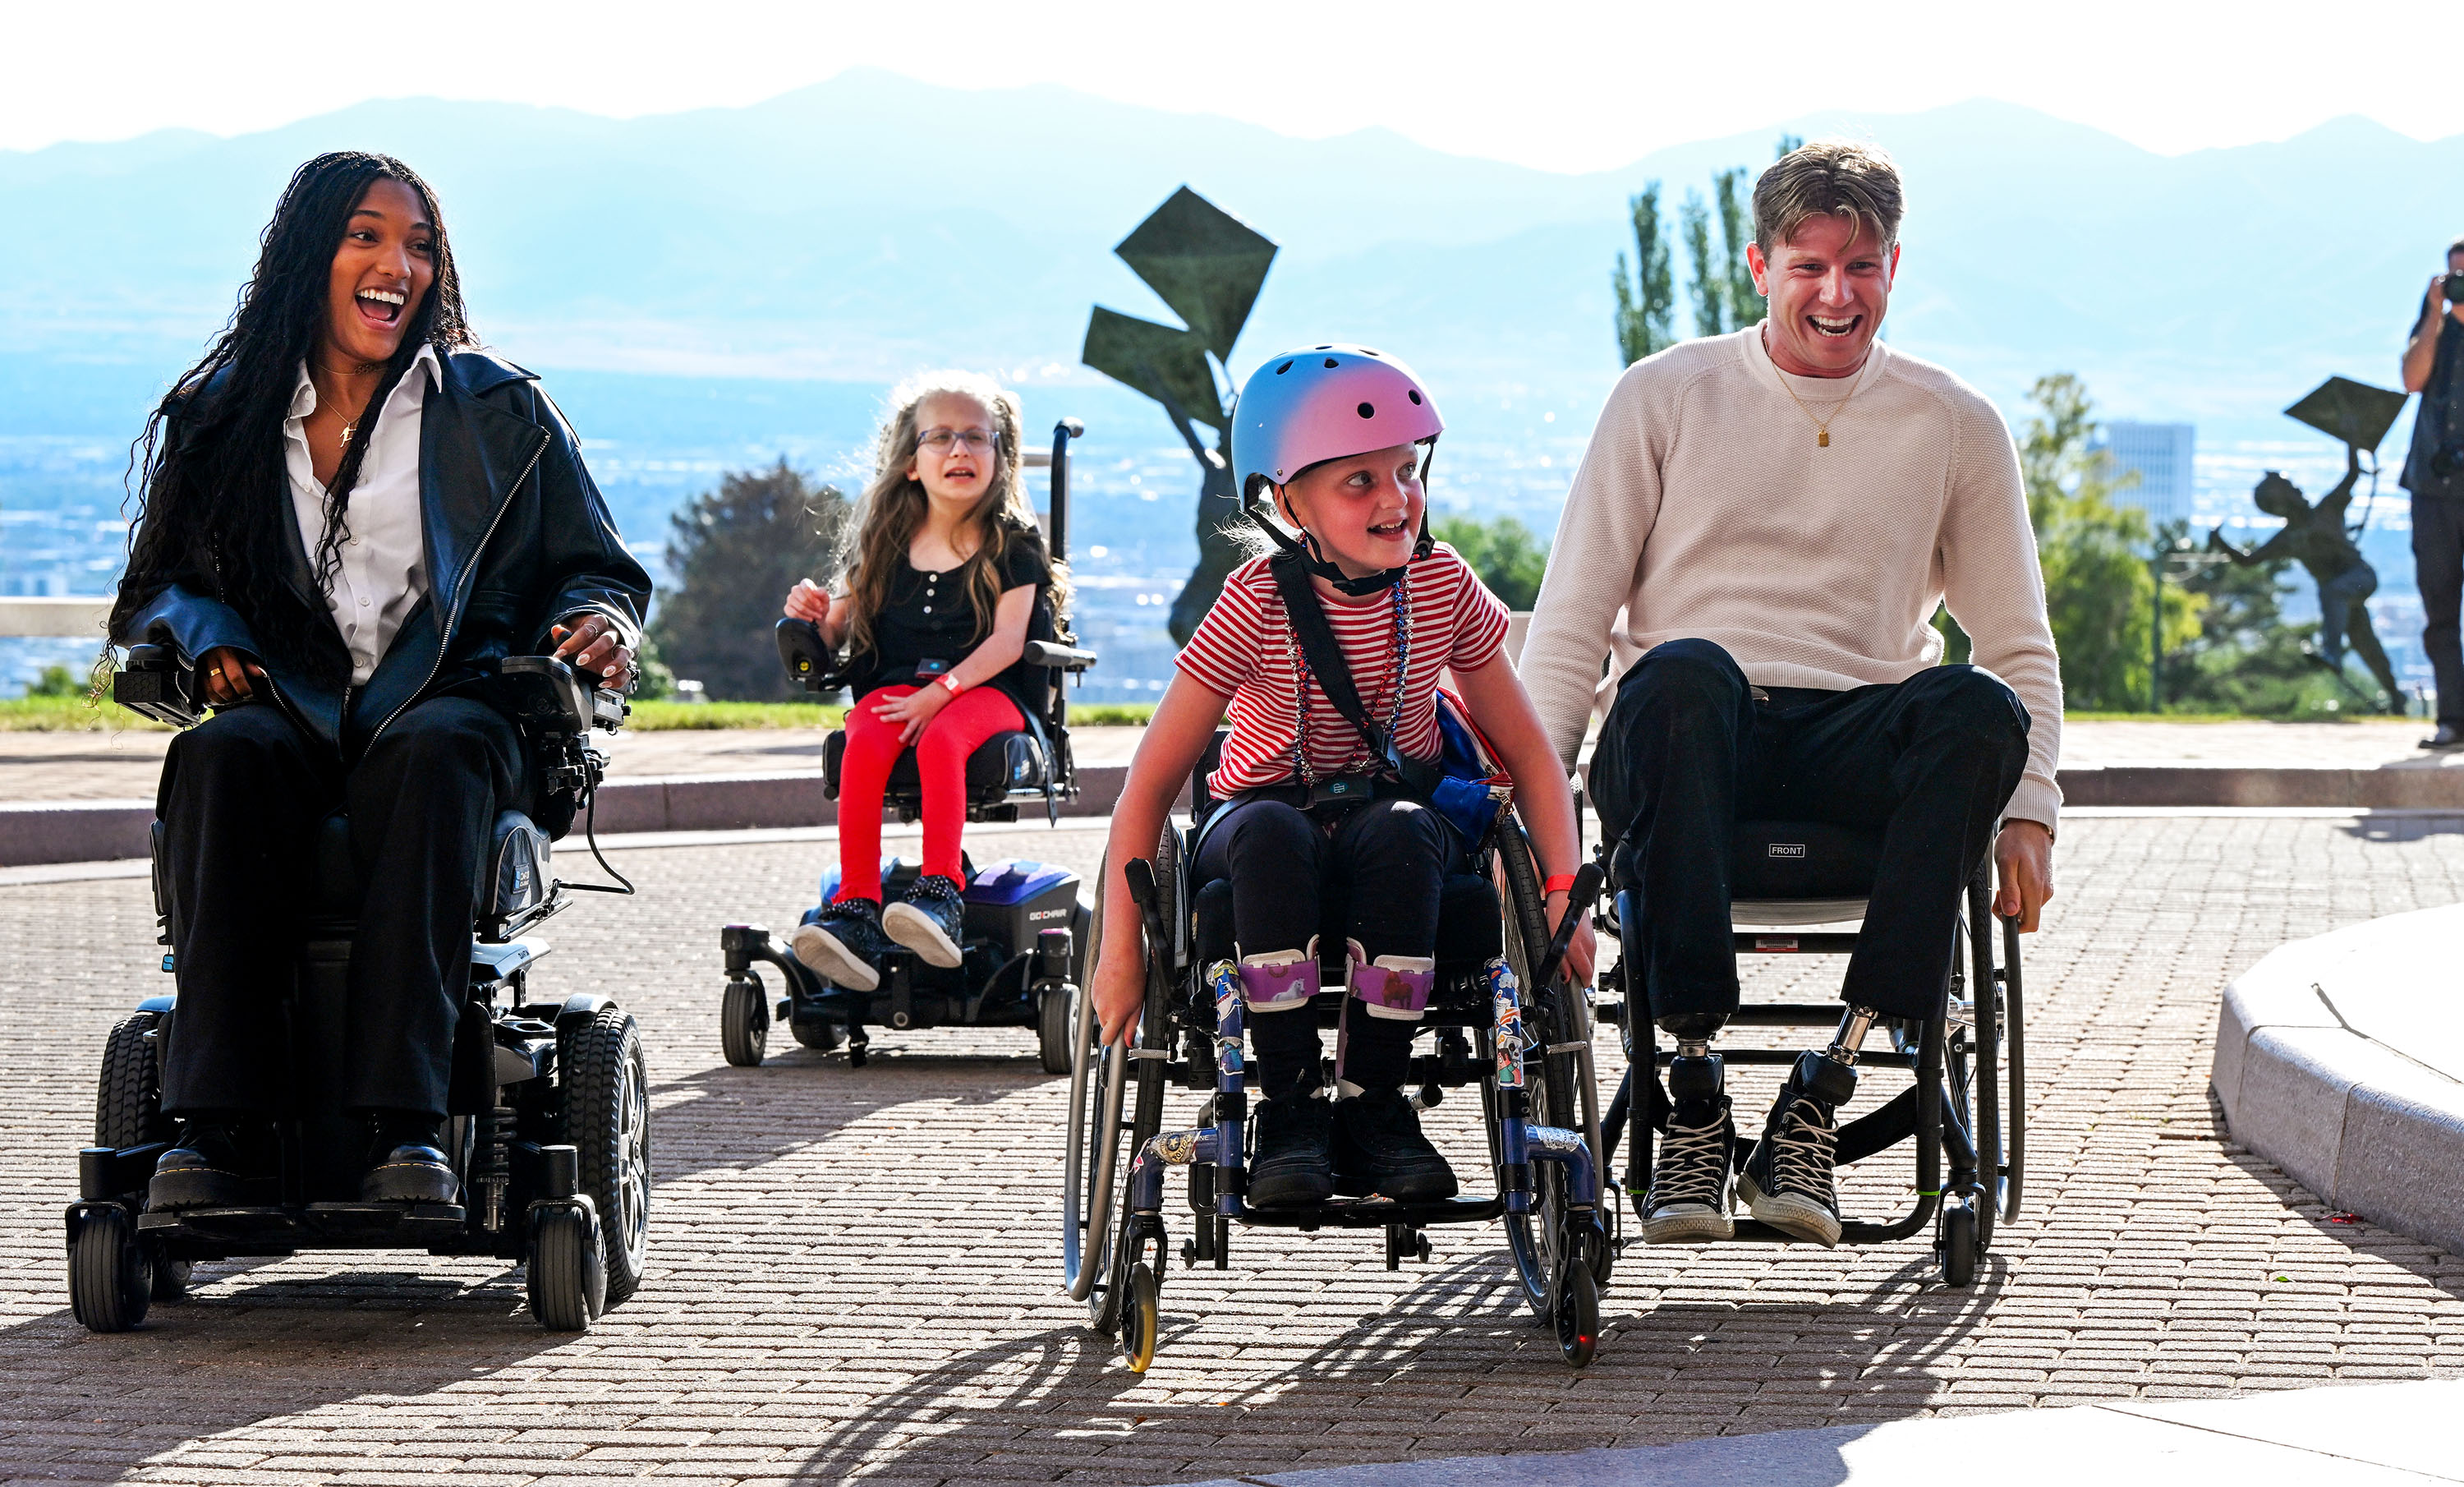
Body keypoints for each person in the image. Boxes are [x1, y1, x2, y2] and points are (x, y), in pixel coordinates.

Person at [1519, 140, 2059, 1249]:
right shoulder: (1665, 396)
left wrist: (2032, 806)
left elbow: (2017, 644)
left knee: (1976, 707)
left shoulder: (1953, 424)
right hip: (1686, 733)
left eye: (1859, 265)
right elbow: (1572, 622)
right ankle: (1694, 1091)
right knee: (1682, 672)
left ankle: (1826, 1086)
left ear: (1893, 268)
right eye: (1809, 264)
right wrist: (1538, 832)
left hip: (1853, 734)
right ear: (1760, 267)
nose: (1836, 292)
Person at [108, 152, 651, 1213]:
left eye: (418, 244)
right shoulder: (221, 416)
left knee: (434, 750)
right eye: (366, 235)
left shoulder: (500, 413)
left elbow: (597, 564)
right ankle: (216, 1128)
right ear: (310, 254)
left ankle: (406, 1126)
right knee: (219, 756)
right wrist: (208, 625)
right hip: (290, 709)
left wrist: (599, 619)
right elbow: (154, 589)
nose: (394, 263)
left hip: (453, 698)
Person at [1091, 346, 1596, 1207]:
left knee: (1402, 827)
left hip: (1393, 825)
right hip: (1257, 823)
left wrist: (1557, 889)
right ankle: (1288, 1108)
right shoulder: (1252, 602)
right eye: (1358, 482)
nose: (1396, 500)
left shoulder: (1441, 585)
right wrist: (1118, 955)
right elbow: (1149, 786)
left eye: (1406, 471)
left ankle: (1374, 1108)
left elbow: (1533, 758)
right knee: (1273, 833)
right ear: (1291, 503)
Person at [783, 373, 1060, 991]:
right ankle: (854, 908)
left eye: (976, 438)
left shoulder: (1013, 543)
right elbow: (836, 633)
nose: (959, 451)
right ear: (911, 462)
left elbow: (1009, 642)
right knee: (866, 729)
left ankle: (941, 894)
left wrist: (943, 693)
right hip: (902, 690)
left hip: (990, 695)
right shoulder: (883, 541)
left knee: (942, 738)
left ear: (999, 457)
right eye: (940, 437)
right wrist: (811, 615)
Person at [2209, 464, 2402, 708]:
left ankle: (2332, 654)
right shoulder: (2289, 538)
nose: (2298, 489)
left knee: (2334, 591)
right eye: (2290, 489)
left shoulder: (2328, 510)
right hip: (2339, 596)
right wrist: (2220, 543)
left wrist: (2352, 435)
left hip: (2359, 578)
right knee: (2366, 645)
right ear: (2280, 504)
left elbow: (2352, 474)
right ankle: (2397, 698)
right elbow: (2249, 560)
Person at [2402, 237, 2464, 748]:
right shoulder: (2433, 327)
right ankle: (2453, 719)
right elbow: (2411, 379)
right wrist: (2435, 314)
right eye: (2455, 276)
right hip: (2433, 488)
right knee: (2439, 607)